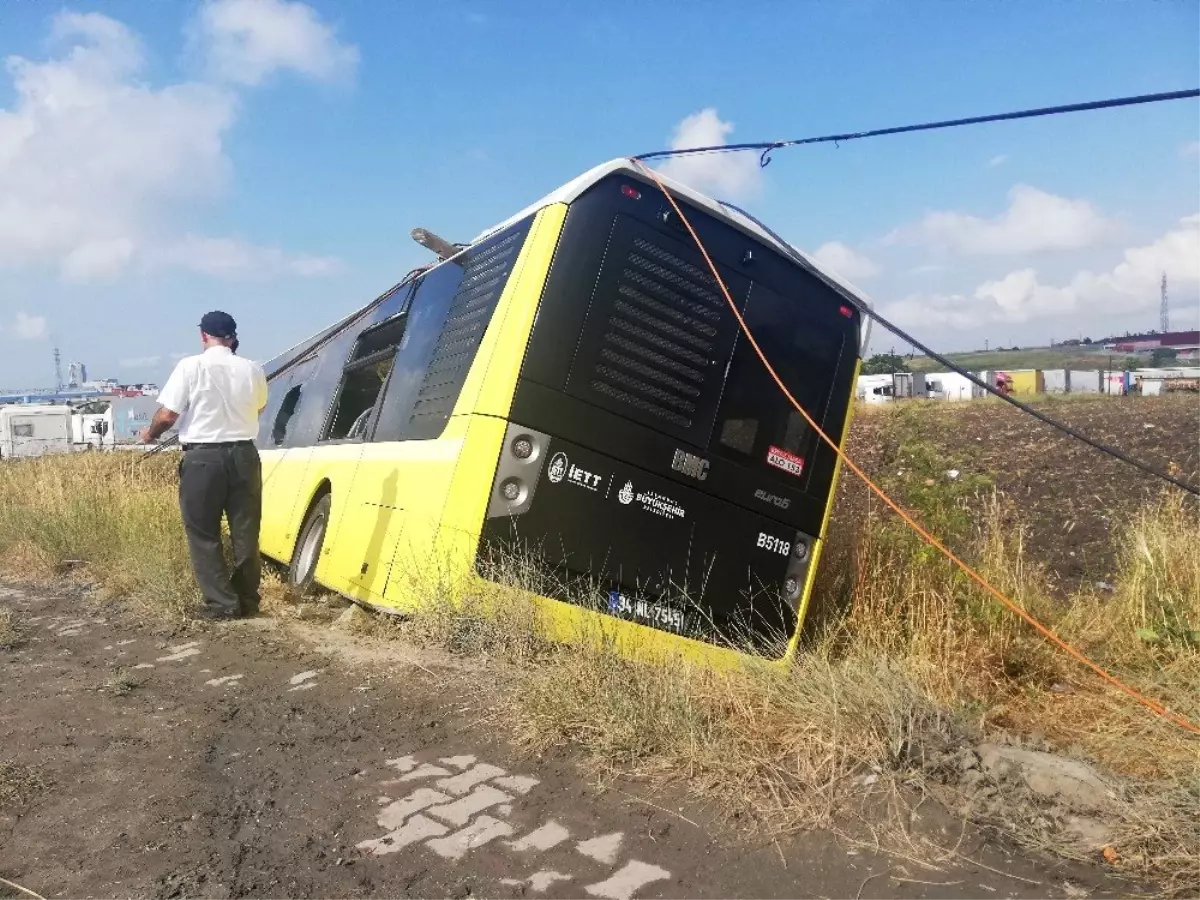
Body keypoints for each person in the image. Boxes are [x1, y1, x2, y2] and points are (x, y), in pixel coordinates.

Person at [141, 311, 269, 620]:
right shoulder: (252, 369)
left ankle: (223, 605)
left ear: (203, 336)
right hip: (244, 455)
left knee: (204, 532)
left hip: (203, 459)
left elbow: (167, 415)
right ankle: (248, 600)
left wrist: (150, 434)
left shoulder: (190, 366)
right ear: (232, 336)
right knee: (246, 531)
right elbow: (260, 406)